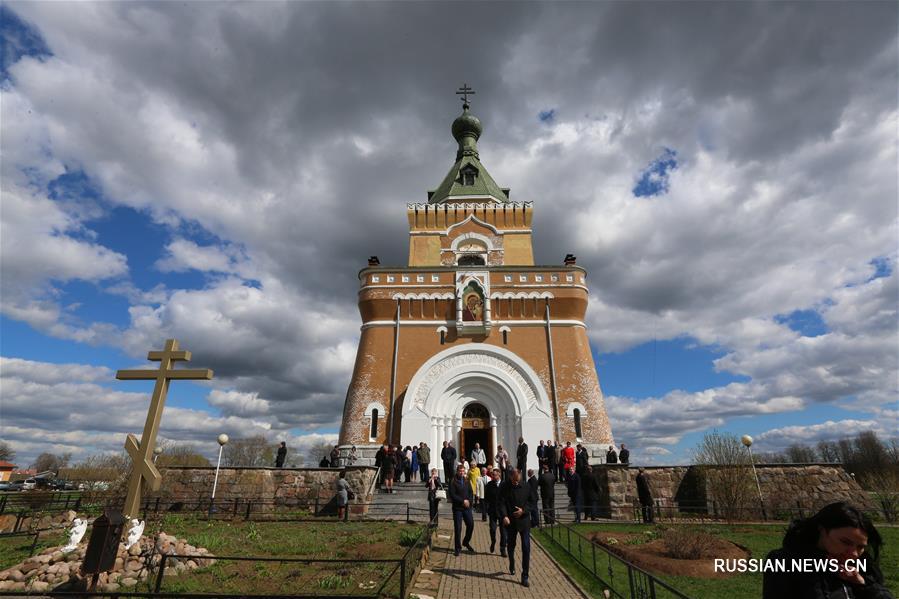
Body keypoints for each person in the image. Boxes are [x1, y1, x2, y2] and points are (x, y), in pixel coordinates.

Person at [762, 502, 894, 599]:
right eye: (845, 542)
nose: (854, 553)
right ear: (822, 530)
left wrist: (862, 584)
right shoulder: (784, 561)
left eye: (860, 547)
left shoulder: (862, 564)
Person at [499, 468, 534, 587]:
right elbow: (501, 502)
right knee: (511, 545)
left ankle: (525, 576)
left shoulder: (526, 486)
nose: (516, 482)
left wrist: (523, 510)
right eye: (514, 480)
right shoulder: (504, 487)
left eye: (518, 480)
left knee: (526, 548)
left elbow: (533, 501)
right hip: (511, 522)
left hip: (524, 522)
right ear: (510, 477)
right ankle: (512, 563)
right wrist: (504, 516)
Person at [448, 464, 475, 557]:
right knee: (458, 528)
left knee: (471, 525)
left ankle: (466, 542)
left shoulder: (467, 480)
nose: (462, 473)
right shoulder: (453, 481)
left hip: (467, 508)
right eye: (460, 471)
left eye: (463, 471)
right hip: (457, 508)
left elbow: (471, 492)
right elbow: (452, 494)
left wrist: (469, 501)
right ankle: (457, 548)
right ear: (457, 471)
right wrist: (462, 501)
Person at [484, 468, 507, 556]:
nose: (493, 476)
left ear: (499, 475)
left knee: (503, 531)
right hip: (493, 511)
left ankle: (502, 548)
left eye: (495, 475)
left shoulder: (504, 485)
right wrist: (486, 509)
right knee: (493, 529)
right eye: (492, 475)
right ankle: (493, 542)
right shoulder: (489, 485)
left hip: (502, 512)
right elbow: (486, 498)